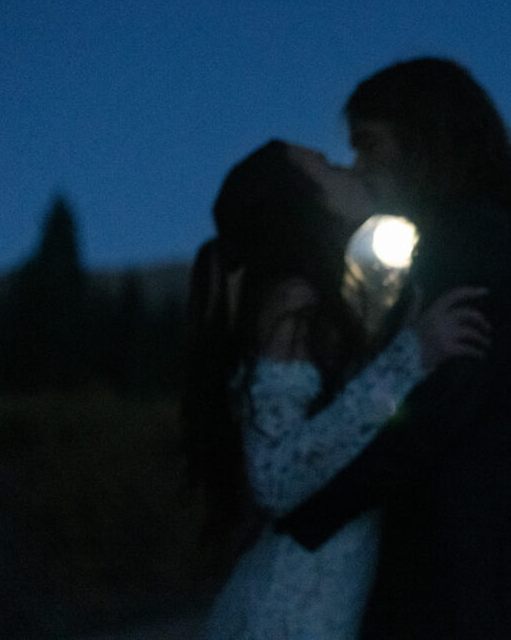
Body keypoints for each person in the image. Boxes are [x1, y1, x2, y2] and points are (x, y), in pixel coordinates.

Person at [276, 58, 511, 638]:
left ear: (424, 138)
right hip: (481, 576)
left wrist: (301, 514)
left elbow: (432, 414)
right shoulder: (478, 238)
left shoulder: (474, 243)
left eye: (369, 145)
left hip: (467, 585)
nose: (360, 167)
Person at [182, 140, 492, 638]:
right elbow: (275, 477)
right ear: (304, 205)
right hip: (292, 613)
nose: (349, 167)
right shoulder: (292, 301)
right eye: (326, 166)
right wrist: (413, 354)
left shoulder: (329, 299)